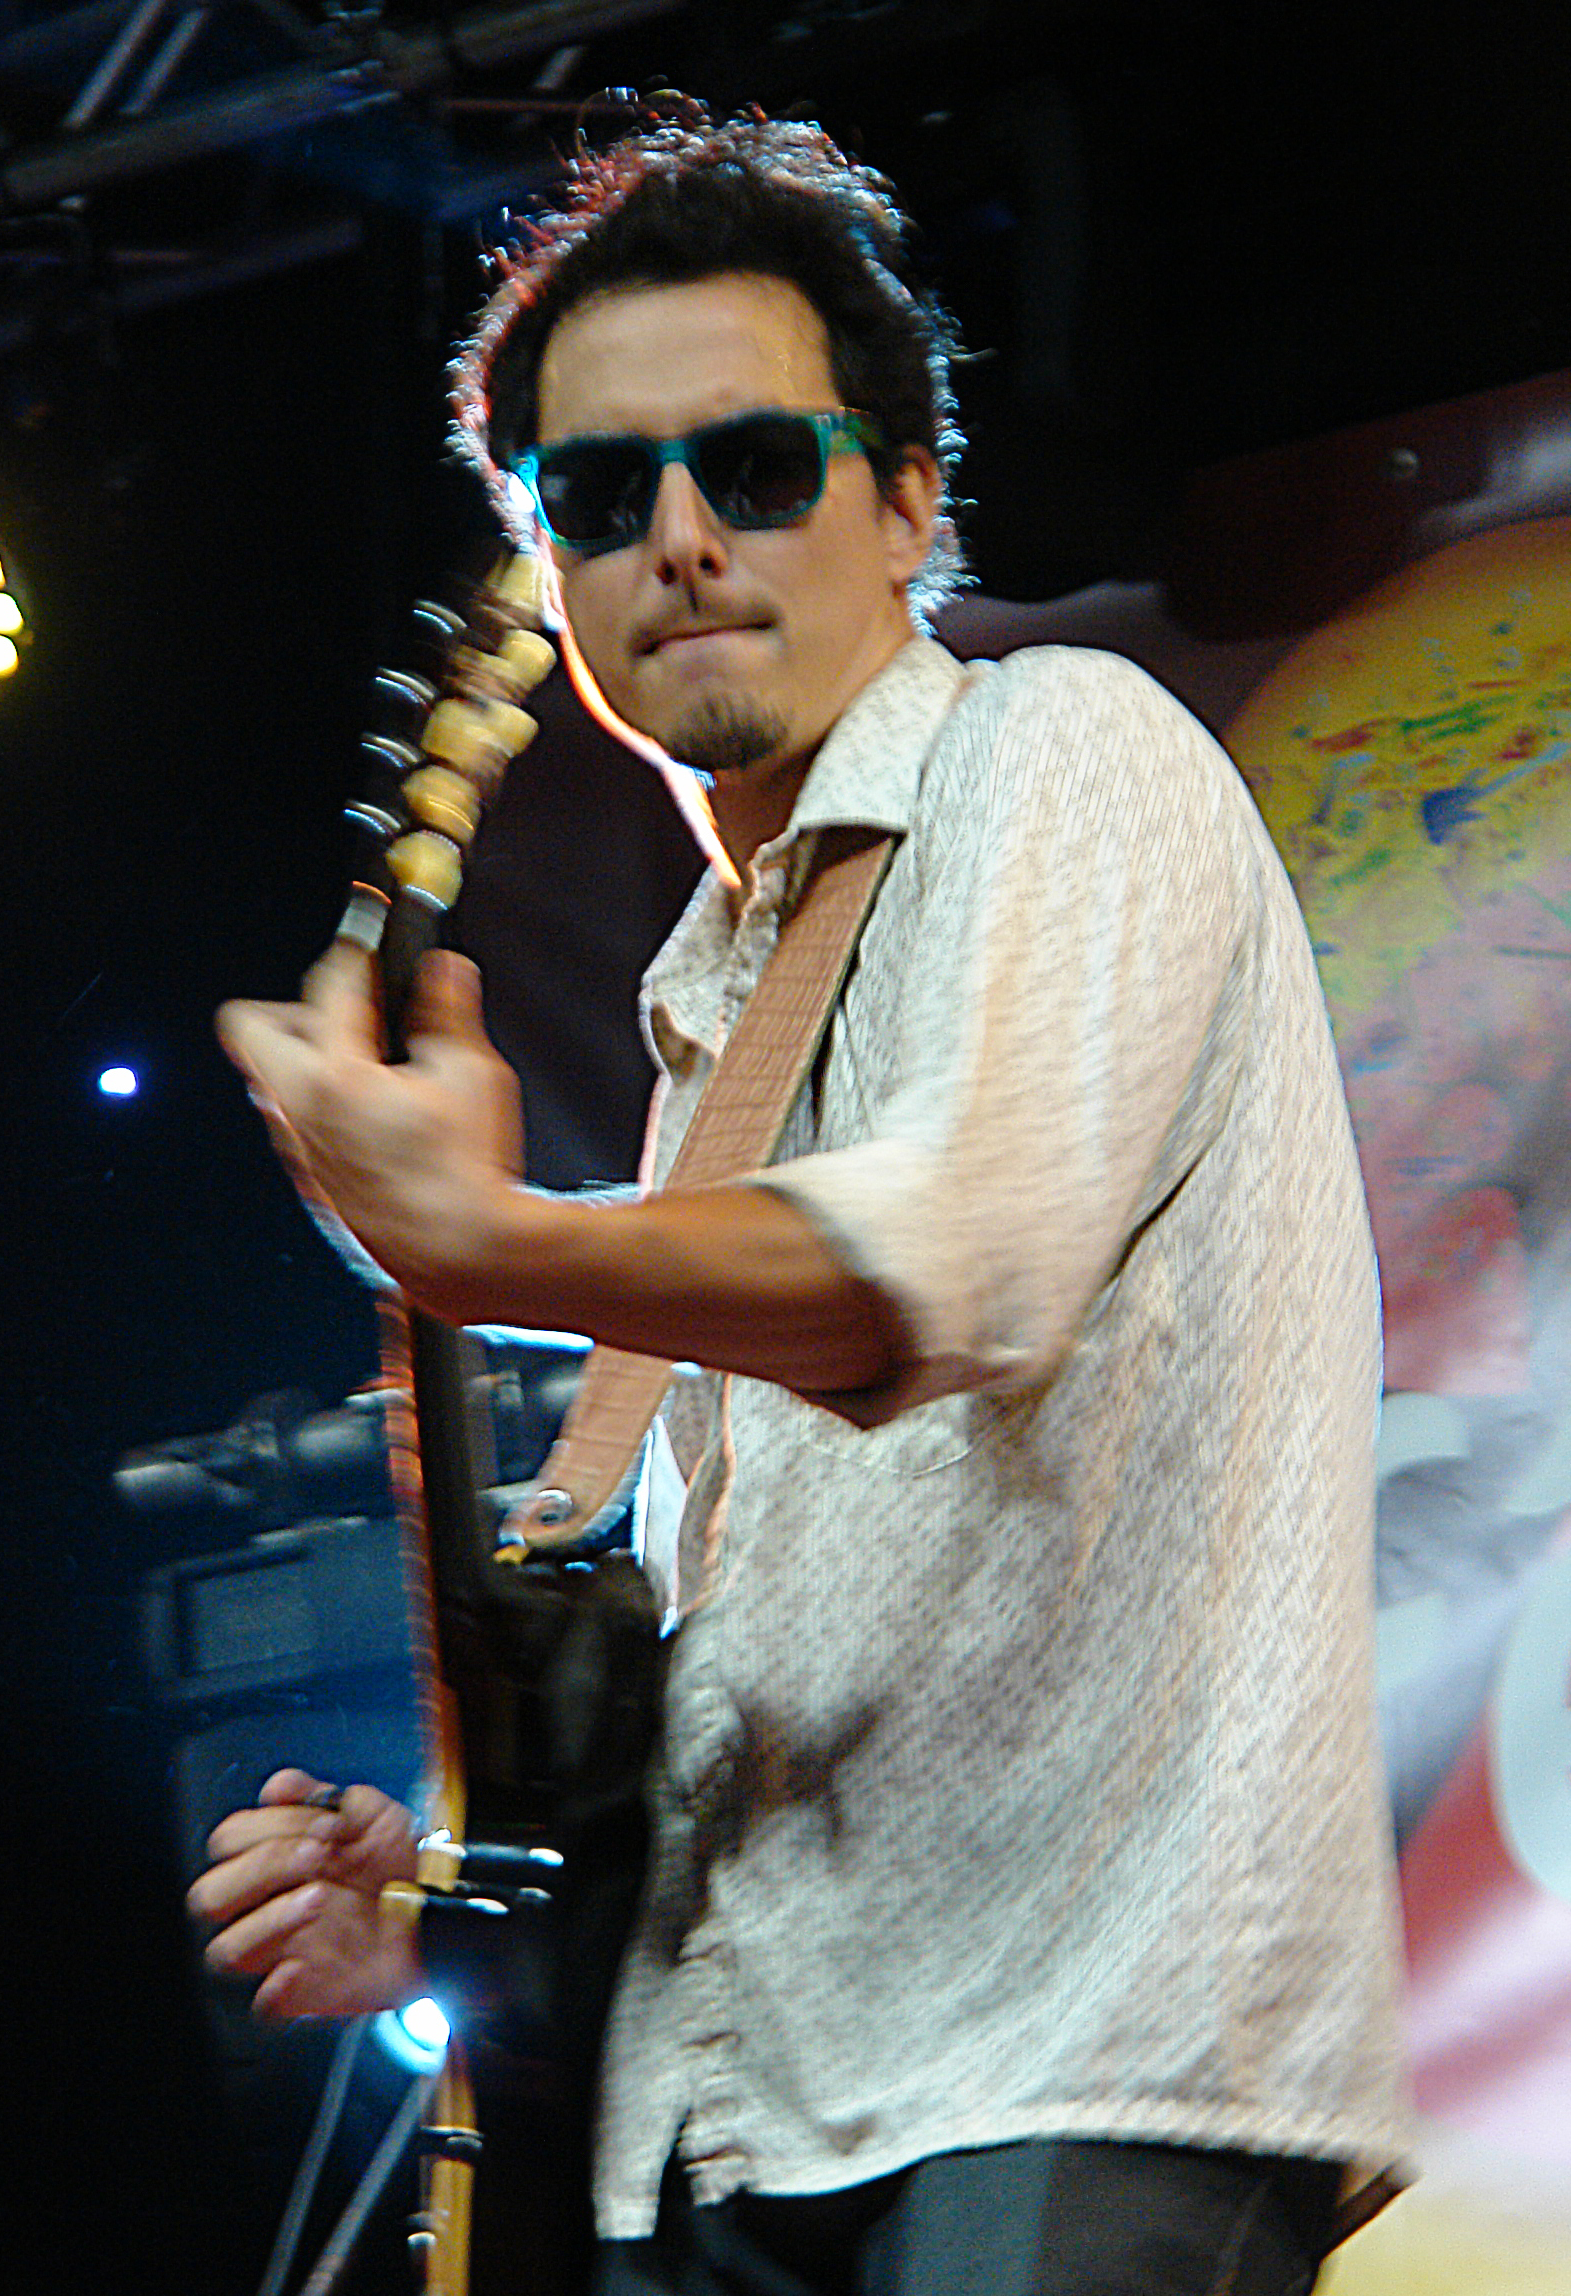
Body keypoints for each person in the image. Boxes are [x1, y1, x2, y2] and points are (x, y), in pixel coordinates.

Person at [192, 112, 1409, 2296]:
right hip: (734, 2124)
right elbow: (735, 1703)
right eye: (599, 495)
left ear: (909, 500)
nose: (679, 540)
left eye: (755, 468)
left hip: (1080, 2058)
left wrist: (490, 1248)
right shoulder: (703, 1023)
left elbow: (960, 1258)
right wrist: (458, 1907)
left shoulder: (1059, 747)